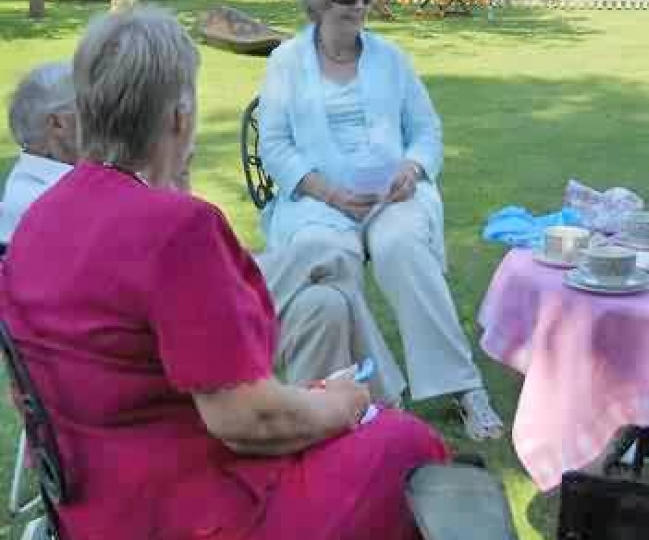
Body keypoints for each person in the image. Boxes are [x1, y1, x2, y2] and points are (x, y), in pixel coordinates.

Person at [0, 8, 447, 540]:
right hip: (194, 512)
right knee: (408, 444)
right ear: (179, 116)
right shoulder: (176, 230)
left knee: (322, 315)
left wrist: (311, 401)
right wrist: (342, 405)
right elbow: (245, 421)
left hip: (93, 504)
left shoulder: (39, 218)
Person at [257, 0, 503, 440]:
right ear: (318, 6)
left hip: (392, 195)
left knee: (402, 247)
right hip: (318, 200)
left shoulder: (391, 58)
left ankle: (463, 385)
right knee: (330, 259)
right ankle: (360, 394)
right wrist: (329, 192)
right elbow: (274, 147)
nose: (357, 6)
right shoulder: (285, 63)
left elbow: (426, 132)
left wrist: (411, 168)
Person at [0, 62, 78, 245]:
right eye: (93, 110)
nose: (108, 119)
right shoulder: (51, 200)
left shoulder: (28, 176)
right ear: (58, 124)